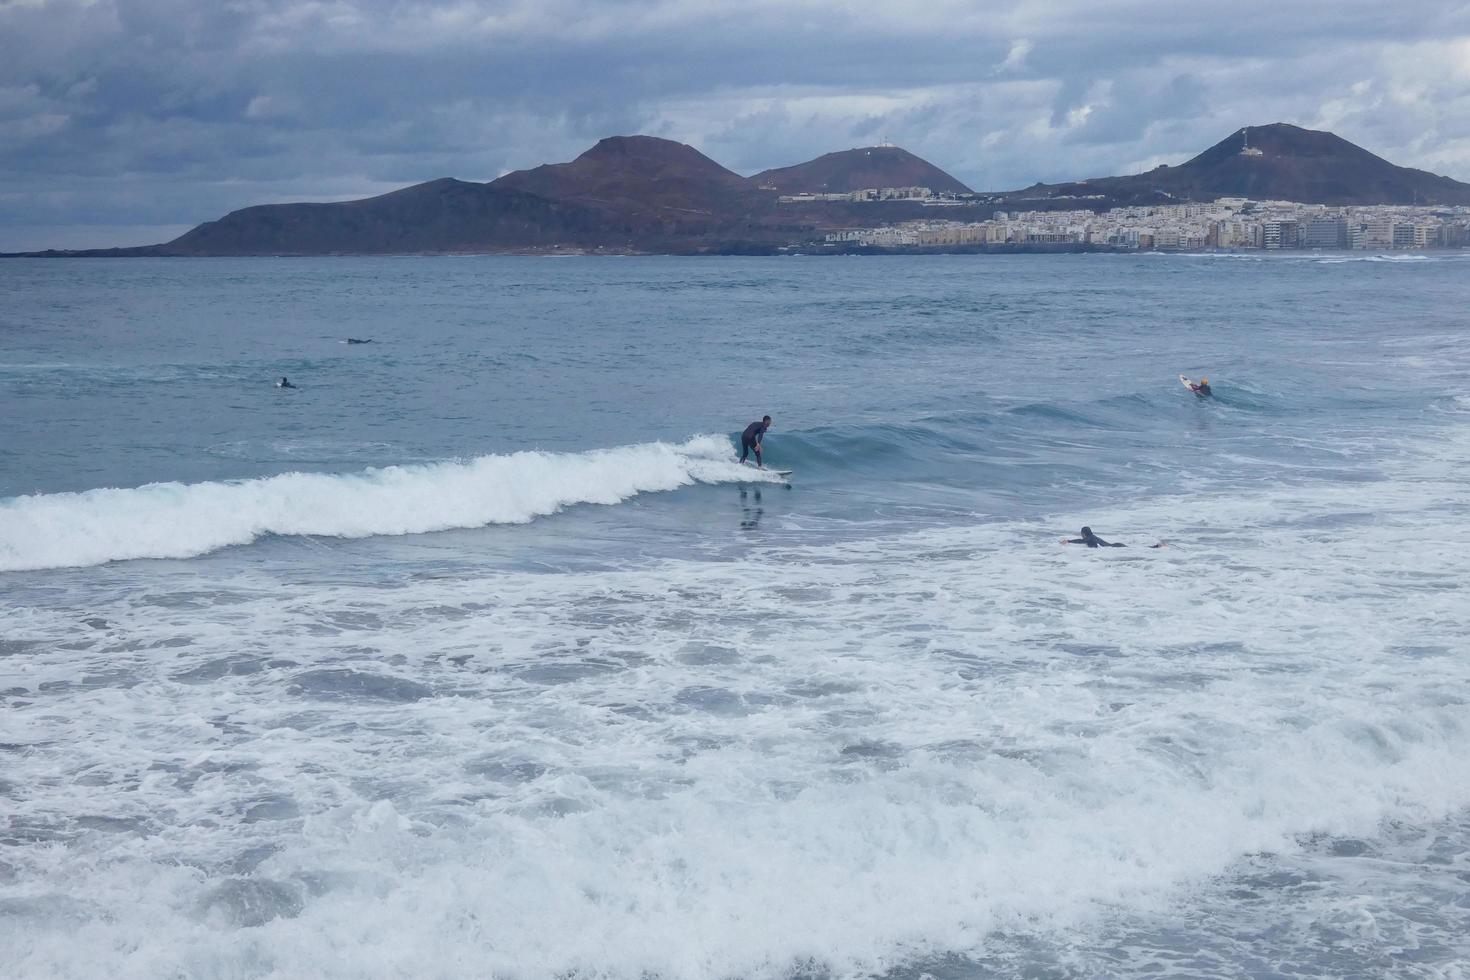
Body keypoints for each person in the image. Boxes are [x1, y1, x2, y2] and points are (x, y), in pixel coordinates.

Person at [1061, 526, 1165, 549]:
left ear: (1084, 533)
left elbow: (1081, 541)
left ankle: (1157, 546)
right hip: (1115, 546)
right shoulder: (1092, 537)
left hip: (1115, 548)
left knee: (1139, 549)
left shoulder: (1089, 538)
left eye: (1081, 533)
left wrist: (1069, 541)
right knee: (1139, 549)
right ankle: (1157, 546)